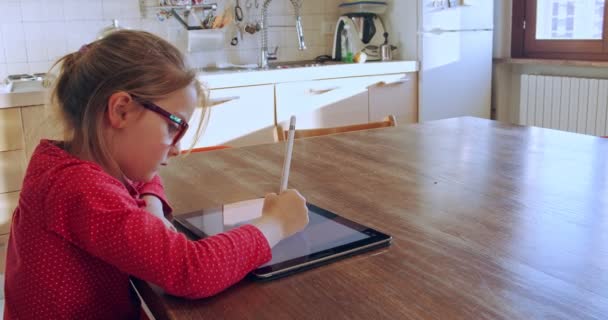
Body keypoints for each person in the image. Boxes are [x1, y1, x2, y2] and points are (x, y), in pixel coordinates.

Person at [4, 30, 309, 319]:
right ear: (121, 110)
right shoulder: (78, 186)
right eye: (174, 126)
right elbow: (191, 271)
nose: (176, 149)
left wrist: (151, 204)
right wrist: (276, 223)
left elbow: (144, 176)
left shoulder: (77, 159)